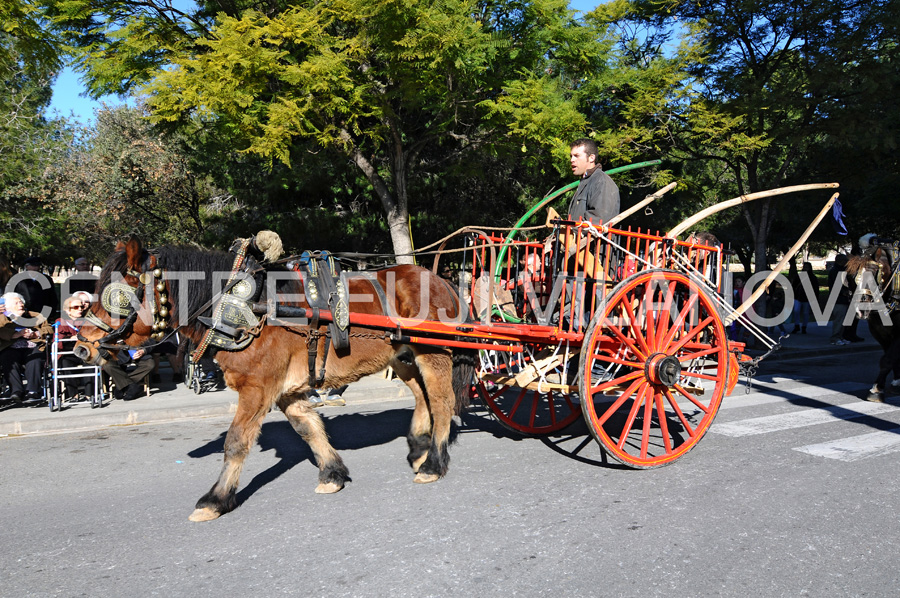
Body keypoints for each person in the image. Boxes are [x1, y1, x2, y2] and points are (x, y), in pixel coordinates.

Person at [0, 292, 53, 404]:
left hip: (32, 345)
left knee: (35, 359)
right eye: (16, 302)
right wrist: (16, 334)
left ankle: (33, 391)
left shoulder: (36, 315)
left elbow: (49, 329)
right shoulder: (2, 318)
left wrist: (35, 334)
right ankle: (16, 391)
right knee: (8, 358)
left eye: (21, 302)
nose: (21, 304)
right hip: (11, 347)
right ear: (8, 307)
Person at [566, 138, 620, 225]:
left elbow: (599, 219)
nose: (572, 160)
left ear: (591, 158)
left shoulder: (601, 182)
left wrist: (572, 232)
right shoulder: (585, 182)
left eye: (576, 156)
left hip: (591, 238)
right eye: (571, 156)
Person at [53, 295, 93, 399]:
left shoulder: (87, 321)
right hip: (68, 353)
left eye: (81, 307)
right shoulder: (61, 322)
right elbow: (57, 341)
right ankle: (73, 394)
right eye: (75, 307)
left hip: (85, 351)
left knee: (91, 362)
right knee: (65, 363)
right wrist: (70, 338)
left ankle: (89, 394)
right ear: (67, 310)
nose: (79, 309)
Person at [827, 254, 854, 345]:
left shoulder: (841, 271)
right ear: (840, 261)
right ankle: (835, 338)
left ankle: (840, 337)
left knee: (843, 320)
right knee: (839, 320)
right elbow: (836, 285)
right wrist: (845, 292)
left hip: (843, 299)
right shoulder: (835, 271)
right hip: (838, 300)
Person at [790, 262, 819, 334]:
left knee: (805, 313)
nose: (805, 268)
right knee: (796, 311)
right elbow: (794, 286)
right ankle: (796, 325)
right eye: (804, 267)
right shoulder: (799, 276)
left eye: (807, 267)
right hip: (798, 296)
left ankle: (804, 326)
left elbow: (815, 288)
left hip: (807, 298)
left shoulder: (812, 277)